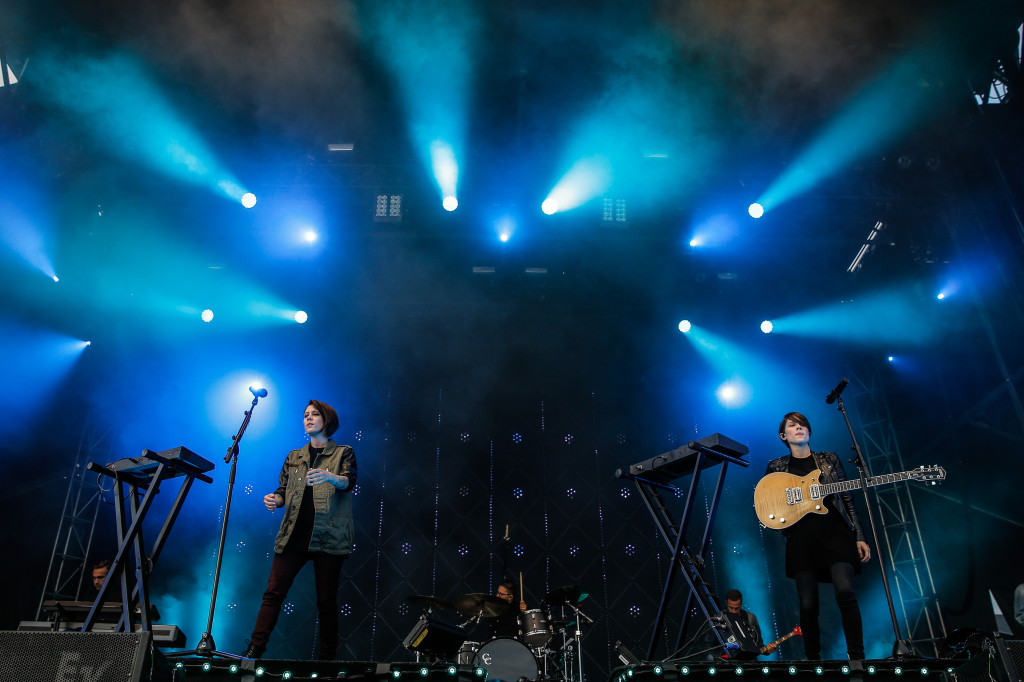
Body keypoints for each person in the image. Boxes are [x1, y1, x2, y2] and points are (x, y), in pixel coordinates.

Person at [242, 399, 357, 661]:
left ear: (327, 420)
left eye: (314, 414)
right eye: (305, 414)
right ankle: (255, 649)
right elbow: (282, 491)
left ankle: (327, 660)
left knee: (326, 602)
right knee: (273, 593)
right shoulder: (294, 456)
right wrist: (275, 499)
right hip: (294, 535)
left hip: (328, 537)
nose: (308, 418)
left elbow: (349, 481)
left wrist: (330, 477)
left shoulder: (344, 453)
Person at [765, 412, 871, 661]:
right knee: (808, 604)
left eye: (803, 425)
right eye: (792, 425)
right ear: (784, 436)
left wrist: (859, 535)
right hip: (802, 538)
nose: (799, 428)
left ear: (809, 432)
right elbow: (768, 503)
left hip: (836, 532)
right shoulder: (776, 467)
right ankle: (813, 660)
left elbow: (847, 499)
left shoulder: (829, 459)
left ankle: (857, 657)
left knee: (845, 592)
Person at [723, 589, 776, 655]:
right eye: (731, 608)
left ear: (741, 604)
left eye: (737, 608)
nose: (734, 611)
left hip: (749, 660)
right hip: (727, 661)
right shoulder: (721, 619)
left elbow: (758, 643)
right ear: (726, 603)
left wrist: (767, 650)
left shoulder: (750, 618)